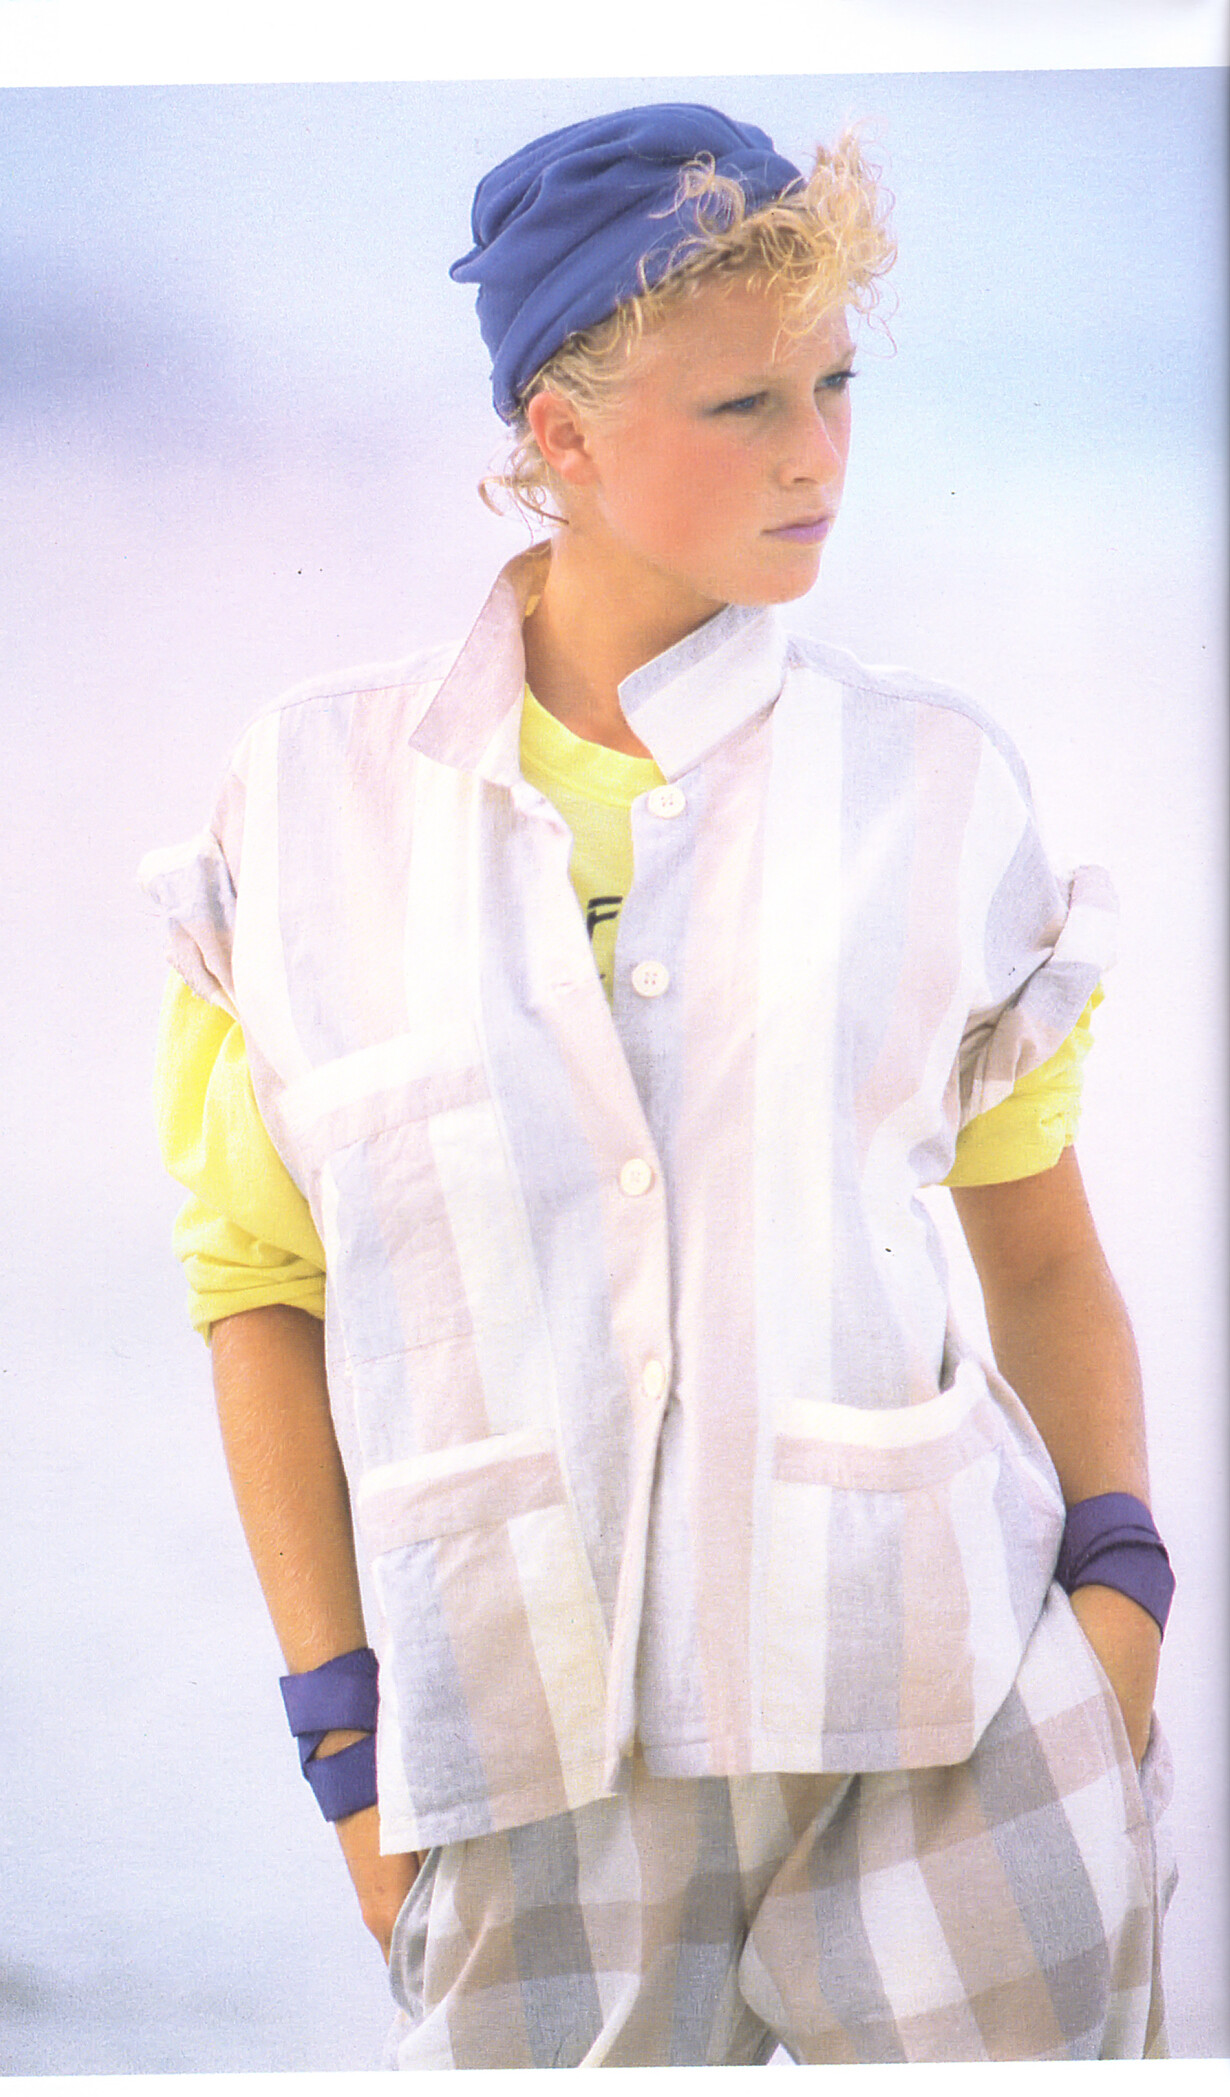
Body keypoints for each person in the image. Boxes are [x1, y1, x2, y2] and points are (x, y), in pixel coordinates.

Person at [141, 103, 1175, 2066]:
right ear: (561, 434)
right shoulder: (304, 806)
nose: (817, 453)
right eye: (743, 404)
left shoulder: (937, 785)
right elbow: (258, 1289)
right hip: (519, 1769)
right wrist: (344, 1745)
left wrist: (1118, 1604)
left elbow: (1040, 1251)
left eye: (836, 384)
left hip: (951, 1728)